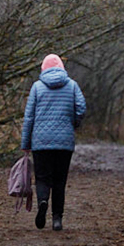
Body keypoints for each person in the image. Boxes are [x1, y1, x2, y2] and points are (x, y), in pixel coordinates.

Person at [20, 54, 86, 231]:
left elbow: (29, 118)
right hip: (64, 142)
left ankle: (43, 202)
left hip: (40, 142)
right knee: (59, 181)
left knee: (42, 178)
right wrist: (74, 123)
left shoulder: (37, 87)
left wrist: (26, 143)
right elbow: (81, 107)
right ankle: (57, 219)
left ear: (43, 68)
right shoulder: (72, 86)